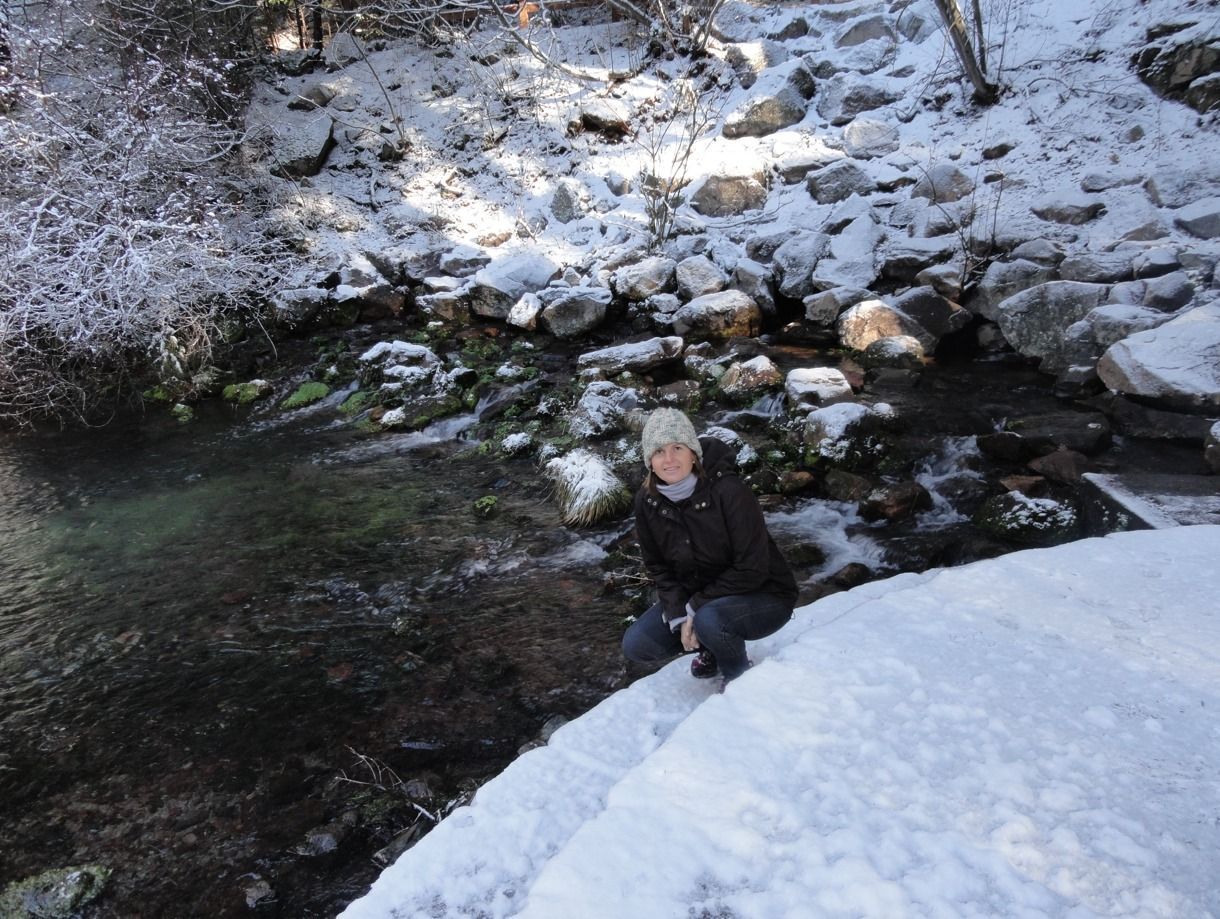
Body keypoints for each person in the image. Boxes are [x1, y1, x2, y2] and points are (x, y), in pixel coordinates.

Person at [622, 407, 798, 689]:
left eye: (677, 448)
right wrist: (679, 614)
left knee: (710, 619)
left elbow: (751, 569)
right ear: (649, 461)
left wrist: (695, 607)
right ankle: (712, 646)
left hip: (766, 594)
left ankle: (738, 676)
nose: (669, 459)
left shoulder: (730, 491)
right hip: (703, 599)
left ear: (693, 453)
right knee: (637, 643)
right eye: (659, 452)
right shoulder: (647, 501)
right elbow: (658, 567)